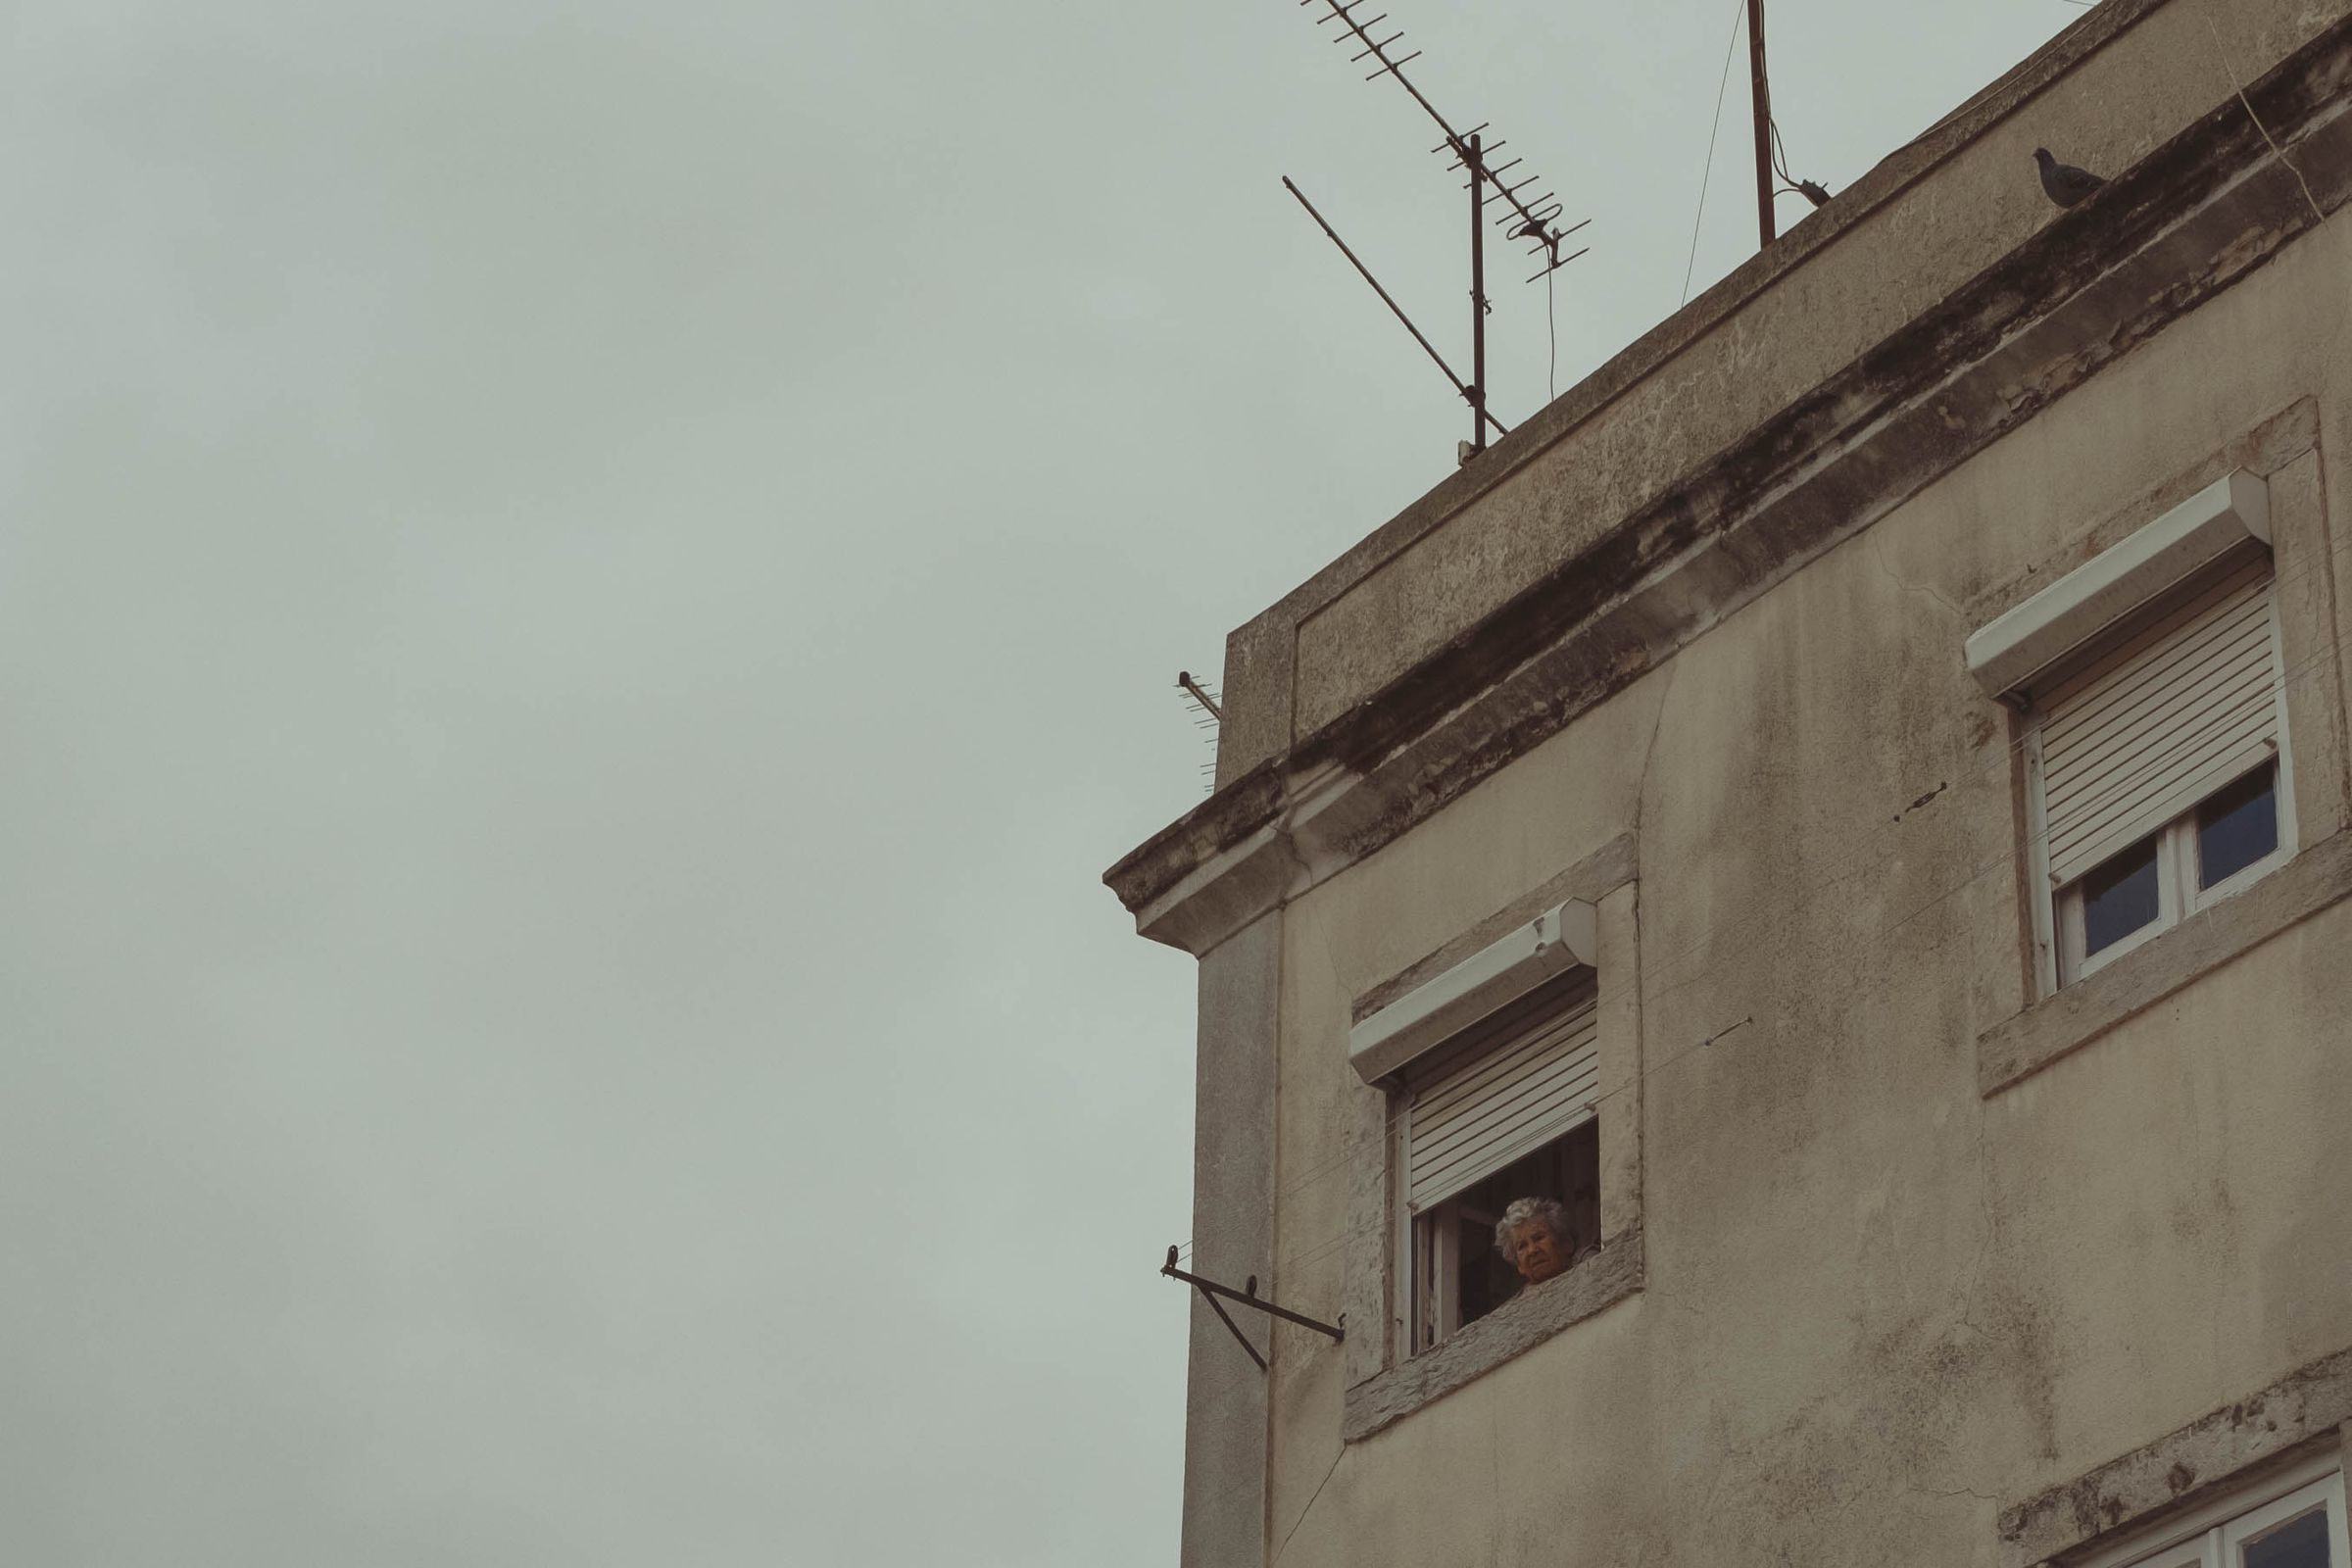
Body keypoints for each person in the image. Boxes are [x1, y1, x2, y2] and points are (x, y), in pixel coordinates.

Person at [1494, 1196, 1578, 1287]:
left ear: (1566, 1243)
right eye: (1522, 1246)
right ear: (1519, 1265)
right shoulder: (1524, 1301)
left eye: (1539, 1238)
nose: (1532, 1250)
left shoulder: (1592, 1268)